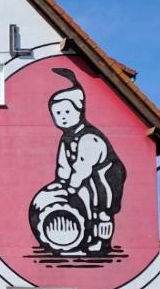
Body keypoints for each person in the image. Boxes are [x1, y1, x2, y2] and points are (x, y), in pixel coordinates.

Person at [30, 67, 126, 254]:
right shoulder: (66, 139)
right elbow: (63, 165)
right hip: (84, 177)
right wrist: (61, 183)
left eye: (66, 111)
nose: (62, 117)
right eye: (57, 113)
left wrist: (71, 187)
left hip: (106, 174)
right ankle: (86, 236)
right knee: (84, 202)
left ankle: (101, 242)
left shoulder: (89, 137)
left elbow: (82, 166)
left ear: (79, 110)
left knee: (102, 207)